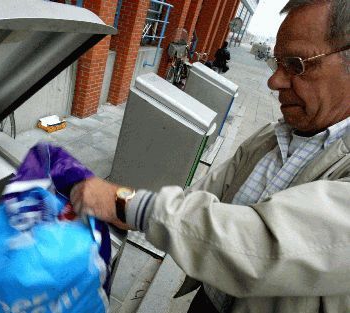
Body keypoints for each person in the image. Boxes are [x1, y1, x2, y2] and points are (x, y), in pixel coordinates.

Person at [70, 1, 350, 312]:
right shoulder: (273, 136)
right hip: (208, 300)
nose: (274, 82)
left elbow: (263, 247)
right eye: (277, 64)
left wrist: (124, 204)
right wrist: (122, 217)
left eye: (296, 65)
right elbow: (202, 196)